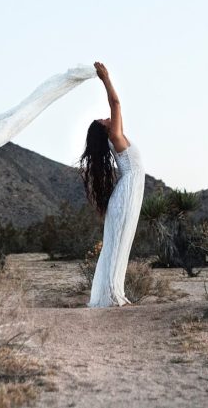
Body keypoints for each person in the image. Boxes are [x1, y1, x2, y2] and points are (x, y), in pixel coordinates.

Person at [79, 62, 146, 307]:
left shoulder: (119, 136)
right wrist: (105, 78)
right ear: (106, 130)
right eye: (104, 120)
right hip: (127, 193)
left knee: (120, 242)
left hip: (128, 192)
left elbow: (115, 109)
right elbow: (116, 104)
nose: (108, 117)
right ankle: (111, 295)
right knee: (117, 244)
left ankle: (115, 292)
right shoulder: (115, 138)